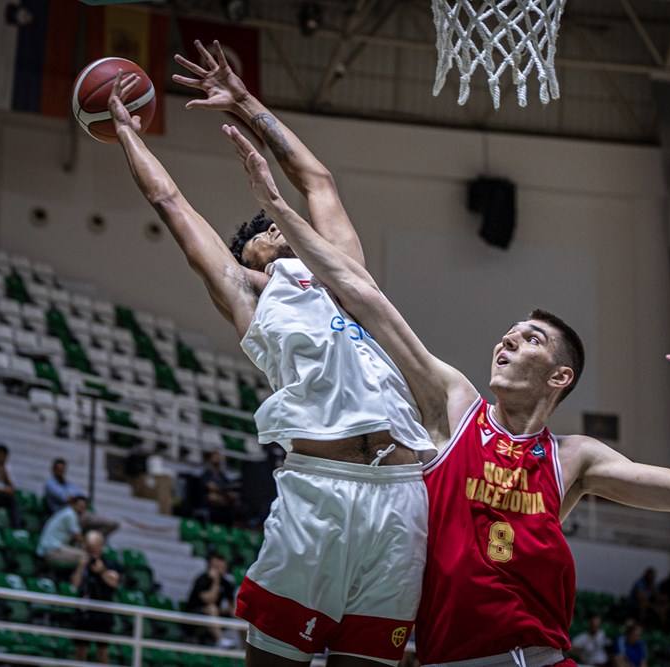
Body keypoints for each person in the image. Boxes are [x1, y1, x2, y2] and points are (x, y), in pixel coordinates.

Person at [226, 121, 670, 666]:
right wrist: (280, 207)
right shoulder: (455, 407)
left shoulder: (573, 458)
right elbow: (361, 292)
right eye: (510, 333)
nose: (509, 338)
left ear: (559, 377)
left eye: (531, 339)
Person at [108, 40, 435, 666]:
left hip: (402, 494)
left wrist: (247, 103)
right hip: (320, 491)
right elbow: (171, 205)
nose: (274, 228)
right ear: (247, 256)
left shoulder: (344, 271)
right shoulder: (250, 294)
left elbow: (318, 180)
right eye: (260, 232)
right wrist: (128, 134)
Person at [71, 530, 121, 665]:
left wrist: (102, 571)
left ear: (101, 546)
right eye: (89, 547)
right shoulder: (83, 562)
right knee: (80, 651)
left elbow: (114, 582)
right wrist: (81, 566)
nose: (91, 550)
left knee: (102, 652)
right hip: (84, 612)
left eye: (94, 546)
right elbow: (75, 585)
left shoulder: (109, 563)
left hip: (102, 613)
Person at [43, 458, 119, 536]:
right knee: (97, 523)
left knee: (111, 524)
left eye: (63, 469)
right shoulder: (50, 484)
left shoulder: (69, 484)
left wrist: (78, 500)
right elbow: (66, 498)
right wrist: (77, 500)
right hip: (64, 517)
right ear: (53, 469)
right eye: (59, 469)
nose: (61, 472)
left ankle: (92, 542)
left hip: (79, 515)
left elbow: (82, 498)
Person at [187, 552, 237, 648]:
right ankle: (220, 640)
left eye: (222, 566)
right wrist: (216, 581)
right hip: (195, 613)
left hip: (215, 614)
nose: (220, 569)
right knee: (212, 608)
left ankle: (245, 647)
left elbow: (232, 606)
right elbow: (209, 600)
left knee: (241, 614)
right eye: (216, 567)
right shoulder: (202, 579)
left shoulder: (226, 583)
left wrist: (233, 612)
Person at [37, 495, 87, 569]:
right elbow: (78, 537)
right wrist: (88, 545)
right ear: (73, 504)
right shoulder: (70, 514)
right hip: (51, 549)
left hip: (54, 547)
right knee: (84, 556)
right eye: (80, 506)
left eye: (83, 507)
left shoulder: (66, 512)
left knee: (83, 555)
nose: (81, 509)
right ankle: (75, 579)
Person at [199, 450, 238, 526]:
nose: (218, 458)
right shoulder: (207, 473)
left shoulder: (221, 475)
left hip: (222, 498)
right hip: (209, 499)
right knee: (213, 497)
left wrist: (229, 493)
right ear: (210, 459)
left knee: (233, 497)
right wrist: (223, 490)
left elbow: (228, 486)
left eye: (218, 457)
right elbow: (211, 486)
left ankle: (229, 529)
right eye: (215, 457)